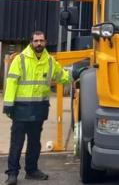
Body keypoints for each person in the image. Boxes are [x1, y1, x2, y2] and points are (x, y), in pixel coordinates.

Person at [2, 31, 71, 185]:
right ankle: (12, 174)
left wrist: (76, 74)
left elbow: (62, 76)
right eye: (36, 41)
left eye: (41, 40)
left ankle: (31, 171)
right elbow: (11, 82)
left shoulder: (50, 62)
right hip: (20, 109)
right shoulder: (20, 60)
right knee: (16, 143)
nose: (39, 43)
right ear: (31, 42)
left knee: (34, 143)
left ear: (46, 42)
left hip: (39, 109)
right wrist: (8, 104)